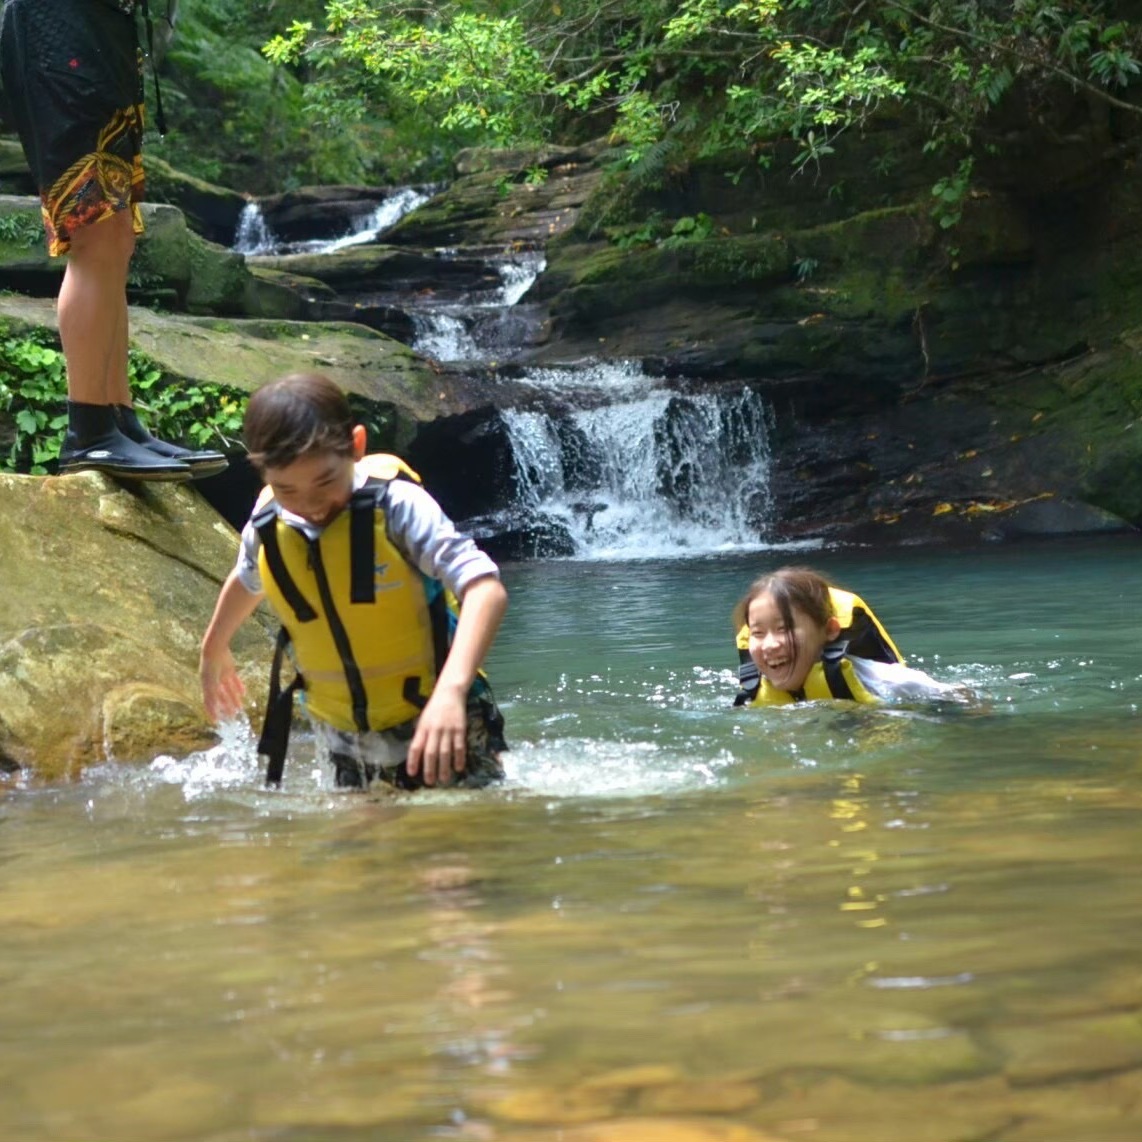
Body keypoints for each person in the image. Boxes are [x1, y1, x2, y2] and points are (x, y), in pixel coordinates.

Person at [200, 372, 509, 791]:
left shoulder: (398, 508)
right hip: (344, 729)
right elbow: (247, 577)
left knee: (454, 836)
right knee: (360, 847)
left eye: (325, 480)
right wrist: (214, 645)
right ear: (263, 474)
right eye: (286, 489)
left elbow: (485, 590)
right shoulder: (268, 528)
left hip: (439, 709)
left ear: (357, 446)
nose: (310, 504)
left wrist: (452, 691)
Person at [0, 0, 226, 480]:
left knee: (117, 236)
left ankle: (118, 419)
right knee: (96, 234)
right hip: (58, 28)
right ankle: (88, 430)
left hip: (103, 31)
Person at [732, 566, 970, 706]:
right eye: (758, 633)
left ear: (830, 630)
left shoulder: (884, 681)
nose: (770, 645)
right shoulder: (751, 697)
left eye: (784, 629)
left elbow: (961, 697)